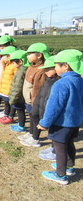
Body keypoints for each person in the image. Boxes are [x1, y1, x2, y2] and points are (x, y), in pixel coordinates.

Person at [38, 49, 83, 185]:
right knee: (69, 144)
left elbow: (54, 107)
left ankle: (60, 175)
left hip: (62, 123)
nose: (55, 68)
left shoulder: (61, 84)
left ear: (66, 66)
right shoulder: (79, 80)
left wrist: (45, 123)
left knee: (60, 147)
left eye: (57, 65)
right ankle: (69, 167)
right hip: (74, 121)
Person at [20, 56, 60, 149]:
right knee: (35, 118)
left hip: (46, 108)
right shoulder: (47, 79)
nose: (45, 71)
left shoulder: (57, 82)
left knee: (51, 128)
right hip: (39, 105)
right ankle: (34, 136)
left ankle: (51, 148)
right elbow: (40, 92)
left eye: (48, 69)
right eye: (45, 69)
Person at [18, 43, 50, 135]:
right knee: (31, 117)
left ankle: (34, 137)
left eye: (29, 54)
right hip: (28, 100)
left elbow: (38, 89)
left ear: (39, 55)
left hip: (34, 101)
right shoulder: (31, 66)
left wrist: (34, 102)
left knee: (35, 118)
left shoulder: (41, 70)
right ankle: (31, 133)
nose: (27, 56)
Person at [8, 50, 30, 131]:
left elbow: (18, 86)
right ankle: (20, 123)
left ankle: (21, 126)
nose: (13, 64)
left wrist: (13, 98)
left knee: (20, 111)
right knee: (20, 111)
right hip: (20, 96)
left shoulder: (21, 72)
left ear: (20, 62)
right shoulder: (22, 70)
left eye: (13, 62)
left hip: (19, 97)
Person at [0, 46, 18, 123]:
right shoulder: (7, 65)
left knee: (11, 104)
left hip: (10, 89)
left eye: (4, 56)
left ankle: (10, 116)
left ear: (9, 56)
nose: (2, 58)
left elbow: (15, 79)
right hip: (5, 89)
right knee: (6, 103)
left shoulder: (14, 66)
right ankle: (6, 115)